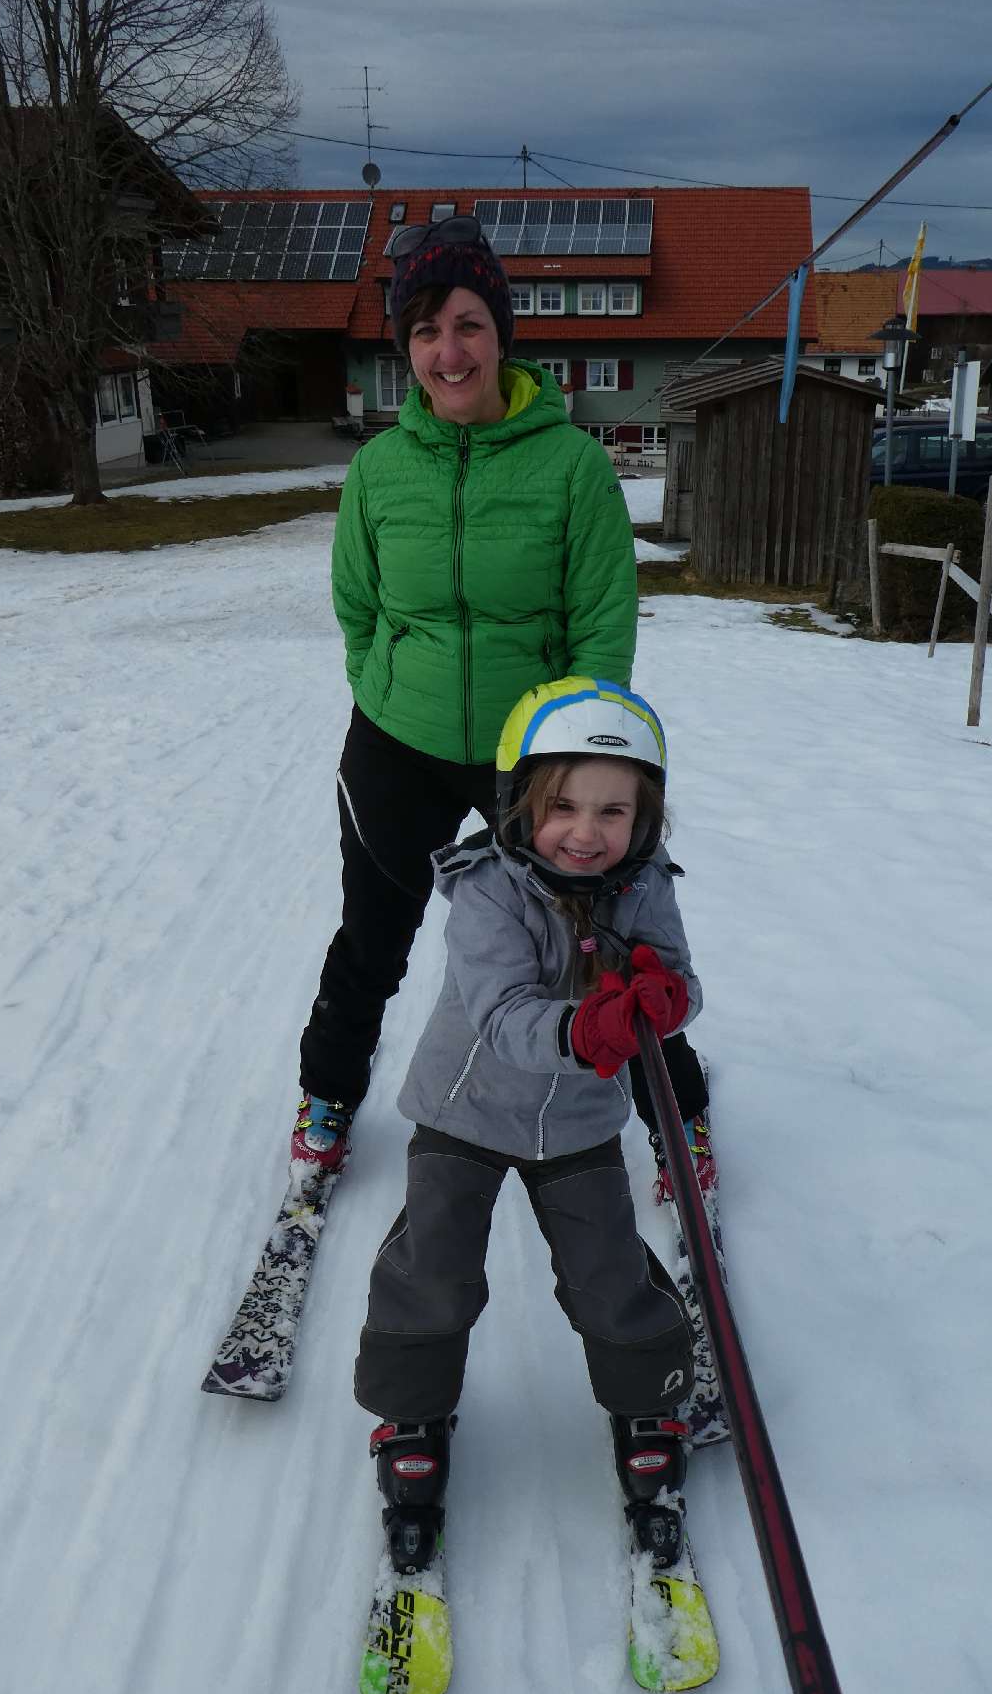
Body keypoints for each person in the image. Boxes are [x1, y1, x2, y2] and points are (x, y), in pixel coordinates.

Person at [294, 211, 714, 1200]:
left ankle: (676, 1111)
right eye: (427, 330)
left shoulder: (569, 466)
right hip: (398, 742)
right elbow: (357, 609)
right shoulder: (379, 470)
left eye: (468, 325)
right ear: (406, 347)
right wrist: (386, 688)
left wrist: (576, 761)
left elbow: (601, 625)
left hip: (536, 758)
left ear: (501, 335)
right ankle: (327, 1095)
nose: (449, 351)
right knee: (373, 935)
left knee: (601, 935)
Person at [355, 680, 702, 1576]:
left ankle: (647, 1397)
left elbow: (680, 977)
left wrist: (666, 998)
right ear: (519, 807)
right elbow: (505, 1015)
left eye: (614, 811)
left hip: (579, 1123)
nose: (586, 832)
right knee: (433, 1266)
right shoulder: (486, 890)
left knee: (608, 1269)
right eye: (563, 808)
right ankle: (412, 1413)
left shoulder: (645, 885)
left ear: (645, 818)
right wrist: (588, 1028)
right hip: (465, 1110)